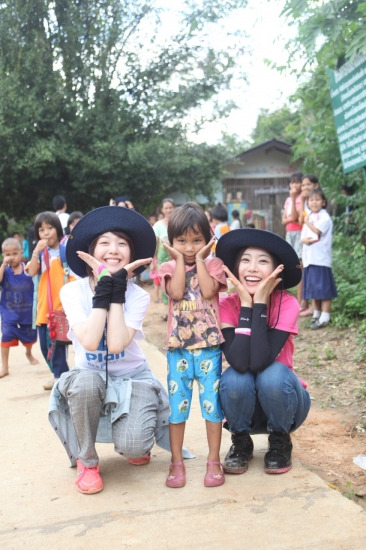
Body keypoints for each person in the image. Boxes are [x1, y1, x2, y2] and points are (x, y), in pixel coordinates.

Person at [48, 206, 188, 495]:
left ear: (131, 255)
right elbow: (88, 340)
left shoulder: (137, 295)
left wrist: (117, 287)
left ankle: (134, 438)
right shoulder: (72, 291)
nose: (114, 250)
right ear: (90, 252)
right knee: (85, 381)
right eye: (105, 243)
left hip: (134, 376)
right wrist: (104, 289)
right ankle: (87, 461)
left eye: (122, 243)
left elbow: (116, 343)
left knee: (134, 446)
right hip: (89, 376)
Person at [216, 228, 310, 476]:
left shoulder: (287, 303)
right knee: (234, 377)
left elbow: (259, 361)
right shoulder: (226, 305)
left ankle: (280, 441)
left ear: (277, 270)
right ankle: (241, 442)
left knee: (272, 374)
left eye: (263, 261)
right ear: (236, 268)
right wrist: (246, 306)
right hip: (244, 401)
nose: (253, 268)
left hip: (284, 401)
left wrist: (259, 303)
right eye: (246, 260)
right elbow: (238, 361)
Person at [159, 202, 227, 488]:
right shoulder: (167, 267)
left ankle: (214, 460)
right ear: (172, 242)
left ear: (208, 239)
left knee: (212, 408)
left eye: (197, 240)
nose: (189, 247)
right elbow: (175, 291)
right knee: (178, 408)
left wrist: (201, 258)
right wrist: (176, 260)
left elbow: (210, 290)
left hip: (210, 348)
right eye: (182, 241)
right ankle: (176, 462)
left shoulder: (214, 264)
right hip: (179, 350)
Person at [26, 212, 73, 390]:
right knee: (46, 347)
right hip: (44, 307)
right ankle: (60, 375)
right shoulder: (40, 253)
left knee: (59, 346)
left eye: (50, 228)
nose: (46, 233)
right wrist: (36, 251)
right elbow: (31, 272)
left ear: (58, 229)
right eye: (41, 229)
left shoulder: (64, 251)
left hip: (60, 308)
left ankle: (60, 377)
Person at [0, 238, 38, 378]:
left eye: (15, 253)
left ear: (21, 253)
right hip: (8, 312)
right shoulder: (4, 271)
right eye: (7, 254)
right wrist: (3, 266)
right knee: (6, 337)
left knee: (29, 338)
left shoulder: (27, 268)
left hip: (26, 312)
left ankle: (28, 353)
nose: (11, 257)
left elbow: (34, 274)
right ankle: (5, 367)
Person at [301, 189, 338, 330]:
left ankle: (325, 316)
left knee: (324, 289)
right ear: (308, 203)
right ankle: (316, 314)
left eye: (317, 200)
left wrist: (307, 222)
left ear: (323, 202)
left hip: (321, 259)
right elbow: (303, 237)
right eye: (311, 200)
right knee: (313, 289)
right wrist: (305, 239)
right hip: (310, 258)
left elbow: (318, 231)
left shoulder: (325, 217)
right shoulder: (309, 216)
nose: (314, 202)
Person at [282, 172, 304, 311]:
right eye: (292, 182)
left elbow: (297, 218)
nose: (294, 185)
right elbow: (284, 220)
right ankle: (291, 298)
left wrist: (295, 197)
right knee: (291, 263)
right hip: (289, 232)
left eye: (297, 182)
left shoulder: (301, 198)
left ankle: (302, 301)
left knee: (299, 265)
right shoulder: (288, 200)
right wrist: (292, 219)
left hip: (299, 232)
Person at [153, 198, 175, 320]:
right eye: (166, 208)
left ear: (174, 208)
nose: (168, 210)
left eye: (170, 207)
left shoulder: (178, 222)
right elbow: (155, 244)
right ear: (162, 209)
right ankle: (167, 311)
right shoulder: (157, 225)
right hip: (162, 259)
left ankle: (175, 309)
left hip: (176, 259)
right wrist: (153, 260)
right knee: (164, 285)